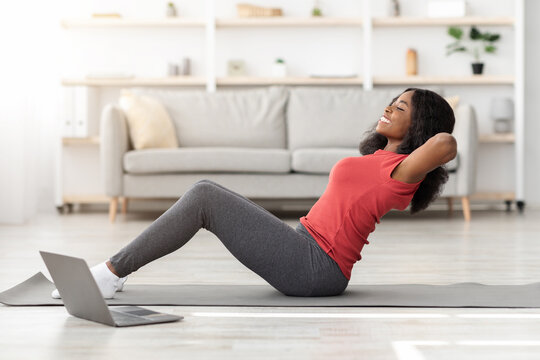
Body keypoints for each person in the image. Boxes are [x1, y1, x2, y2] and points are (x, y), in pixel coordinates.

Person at [52, 88, 457, 299]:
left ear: (418, 124)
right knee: (208, 192)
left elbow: (444, 144)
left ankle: (109, 274)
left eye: (401, 108)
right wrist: (408, 112)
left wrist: (433, 118)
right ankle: (112, 274)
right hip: (305, 245)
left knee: (204, 196)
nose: (388, 108)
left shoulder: (402, 172)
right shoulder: (378, 158)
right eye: (392, 102)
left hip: (317, 268)